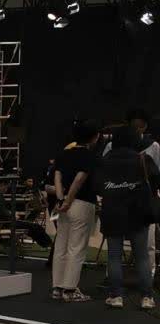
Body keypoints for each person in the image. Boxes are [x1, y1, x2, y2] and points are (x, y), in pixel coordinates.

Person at [97, 126, 159, 309]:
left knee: (114, 256)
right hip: (138, 213)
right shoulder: (143, 159)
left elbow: (97, 186)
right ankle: (147, 297)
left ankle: (116, 296)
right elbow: (156, 181)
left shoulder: (105, 160)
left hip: (112, 212)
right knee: (142, 257)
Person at [102, 108, 160, 277]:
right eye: (134, 125)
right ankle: (114, 280)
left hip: (139, 202)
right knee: (117, 248)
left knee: (146, 246)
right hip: (119, 201)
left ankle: (148, 277)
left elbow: (157, 173)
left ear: (145, 126)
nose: (137, 129)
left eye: (140, 126)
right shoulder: (111, 146)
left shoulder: (153, 146)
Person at [51, 120, 101, 302]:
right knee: (76, 247)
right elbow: (80, 179)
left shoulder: (63, 154)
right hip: (82, 203)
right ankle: (70, 290)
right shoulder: (89, 156)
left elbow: (57, 177)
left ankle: (57, 287)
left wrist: (61, 199)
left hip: (62, 203)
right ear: (94, 137)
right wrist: (68, 200)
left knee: (61, 245)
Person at [0, 179, 52, 248]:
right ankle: (48, 244)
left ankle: (47, 244)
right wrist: (12, 215)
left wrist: (11, 214)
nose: (6, 189)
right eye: (6, 187)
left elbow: (0, 212)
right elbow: (2, 214)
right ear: (1, 185)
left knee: (32, 227)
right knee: (35, 227)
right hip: (5, 223)